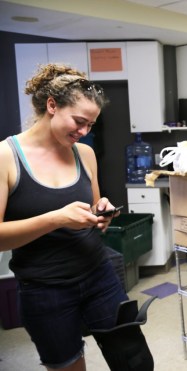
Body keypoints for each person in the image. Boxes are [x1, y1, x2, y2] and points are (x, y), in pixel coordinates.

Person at [0, 63, 127, 371]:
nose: (84, 132)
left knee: (132, 358)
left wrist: (101, 213)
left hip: (99, 274)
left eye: (91, 125)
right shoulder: (6, 157)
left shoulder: (84, 154)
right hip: (45, 288)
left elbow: (95, 206)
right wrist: (56, 218)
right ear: (52, 106)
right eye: (79, 121)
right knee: (69, 366)